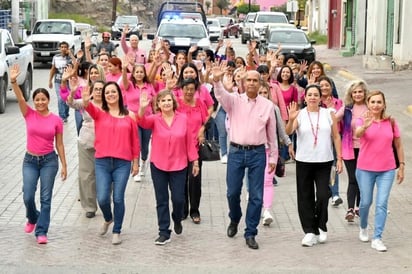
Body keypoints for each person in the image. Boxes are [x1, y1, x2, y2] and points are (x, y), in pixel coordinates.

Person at [213, 64, 277, 250]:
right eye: (248, 80)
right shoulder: (233, 100)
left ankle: (250, 232)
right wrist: (217, 80)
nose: (251, 83)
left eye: (255, 80)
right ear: (242, 82)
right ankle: (234, 218)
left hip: (258, 153)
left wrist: (273, 157)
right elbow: (220, 95)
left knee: (256, 196)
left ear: (260, 84)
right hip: (236, 152)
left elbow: (272, 134)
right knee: (232, 192)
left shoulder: (268, 106)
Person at [10, 64, 67, 244]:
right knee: (27, 195)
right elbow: (19, 99)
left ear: (48, 100)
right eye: (37, 99)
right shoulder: (29, 114)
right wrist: (13, 81)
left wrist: (64, 165)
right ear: (34, 101)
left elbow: (59, 144)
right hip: (30, 161)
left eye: (43, 99)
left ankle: (41, 231)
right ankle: (33, 218)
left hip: (49, 161)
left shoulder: (56, 120)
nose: (40, 102)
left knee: (46, 197)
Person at [138, 90, 199, 245]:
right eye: (163, 101)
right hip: (158, 164)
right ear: (158, 104)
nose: (166, 103)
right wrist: (143, 109)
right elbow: (141, 122)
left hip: (179, 165)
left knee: (179, 199)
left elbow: (189, 141)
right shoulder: (154, 119)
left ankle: (177, 218)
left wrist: (195, 161)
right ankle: (164, 231)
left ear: (173, 102)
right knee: (162, 199)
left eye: (168, 100)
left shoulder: (183, 118)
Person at [82, 81, 140, 245]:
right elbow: (88, 107)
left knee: (119, 198)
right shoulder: (99, 113)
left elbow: (135, 141)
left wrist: (136, 163)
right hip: (102, 162)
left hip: (123, 163)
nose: (110, 95)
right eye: (107, 93)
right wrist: (86, 100)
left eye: (113, 91)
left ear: (119, 94)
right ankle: (108, 218)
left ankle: (117, 230)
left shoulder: (130, 116)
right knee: (102, 198)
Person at [285, 84, 343, 247]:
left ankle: (321, 225)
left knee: (324, 195)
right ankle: (310, 231)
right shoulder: (300, 114)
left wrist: (339, 158)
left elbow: (336, 137)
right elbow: (288, 132)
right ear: (305, 97)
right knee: (305, 197)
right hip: (304, 161)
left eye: (315, 95)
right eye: (309, 94)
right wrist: (290, 120)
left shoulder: (328, 114)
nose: (312, 97)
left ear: (320, 98)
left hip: (324, 161)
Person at [355, 90, 405, 252]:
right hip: (365, 169)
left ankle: (377, 238)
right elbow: (357, 133)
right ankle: (363, 226)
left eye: (379, 102)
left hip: (387, 169)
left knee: (382, 203)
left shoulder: (391, 122)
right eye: (373, 102)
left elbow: (398, 145)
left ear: (384, 104)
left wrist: (402, 166)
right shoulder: (362, 120)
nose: (376, 105)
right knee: (365, 202)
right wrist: (366, 126)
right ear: (368, 103)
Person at [67, 81, 104, 218]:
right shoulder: (86, 101)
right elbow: (71, 103)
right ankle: (89, 206)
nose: (99, 91)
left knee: (103, 175)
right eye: (96, 89)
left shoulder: (110, 104)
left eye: (101, 89)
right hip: (86, 142)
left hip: (106, 145)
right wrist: (72, 91)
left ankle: (104, 200)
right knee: (86, 175)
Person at [258, 81, 293, 225]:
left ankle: (267, 210)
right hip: (254, 151)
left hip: (270, 150)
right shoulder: (249, 107)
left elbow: (281, 129)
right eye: (260, 93)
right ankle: (257, 206)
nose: (262, 95)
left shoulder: (274, 108)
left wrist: (289, 143)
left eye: (265, 92)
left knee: (267, 181)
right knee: (256, 183)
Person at [176, 78, 208, 223]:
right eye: (186, 88)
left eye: (192, 89)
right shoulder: (177, 103)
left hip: (195, 147)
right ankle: (182, 210)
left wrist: (202, 129)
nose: (189, 91)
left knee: (195, 180)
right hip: (179, 147)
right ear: (181, 89)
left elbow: (206, 120)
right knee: (181, 179)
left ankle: (194, 210)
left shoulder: (199, 103)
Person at [121, 62, 156, 182]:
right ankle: (136, 168)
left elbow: (154, 102)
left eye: (141, 72)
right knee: (137, 144)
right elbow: (124, 81)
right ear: (133, 74)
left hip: (147, 119)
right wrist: (124, 69)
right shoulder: (129, 85)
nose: (139, 74)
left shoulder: (149, 85)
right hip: (133, 119)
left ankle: (144, 160)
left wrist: (156, 115)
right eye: (137, 72)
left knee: (145, 146)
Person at [341, 80, 369, 221]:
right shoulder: (347, 108)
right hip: (349, 149)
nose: (357, 94)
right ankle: (350, 209)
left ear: (365, 93)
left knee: (362, 179)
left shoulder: (370, 107)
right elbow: (334, 119)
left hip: (366, 149)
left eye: (360, 91)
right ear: (351, 94)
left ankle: (359, 207)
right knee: (353, 178)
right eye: (355, 92)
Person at [319, 76, 344, 207]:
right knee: (322, 167)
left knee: (333, 166)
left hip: (334, 138)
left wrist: (330, 109)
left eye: (326, 85)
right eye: (321, 85)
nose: (324, 88)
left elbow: (338, 120)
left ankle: (335, 194)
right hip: (319, 139)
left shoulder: (338, 103)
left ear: (331, 87)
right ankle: (324, 191)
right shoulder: (315, 102)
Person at [48, 41, 72, 122]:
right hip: (58, 81)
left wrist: (70, 55)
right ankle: (62, 117)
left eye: (65, 47)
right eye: (62, 47)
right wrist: (50, 80)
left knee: (66, 98)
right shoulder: (56, 57)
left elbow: (75, 66)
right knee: (60, 98)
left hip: (68, 81)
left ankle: (66, 114)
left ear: (68, 48)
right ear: (59, 48)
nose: (63, 49)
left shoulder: (70, 58)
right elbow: (53, 69)